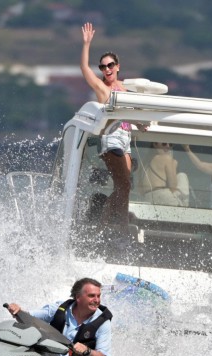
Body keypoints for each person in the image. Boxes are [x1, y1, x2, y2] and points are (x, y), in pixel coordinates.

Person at [5, 278, 112, 356]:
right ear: (78, 297)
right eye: (91, 296)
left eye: (98, 296)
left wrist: (87, 351)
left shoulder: (103, 323)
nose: (97, 300)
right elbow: (27, 317)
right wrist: (17, 310)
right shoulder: (59, 308)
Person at [80, 22, 132, 226]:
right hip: (111, 138)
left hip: (126, 137)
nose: (107, 69)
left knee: (125, 187)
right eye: (103, 66)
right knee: (122, 186)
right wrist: (86, 44)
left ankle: (119, 226)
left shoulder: (125, 90)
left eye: (110, 65)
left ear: (118, 67)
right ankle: (109, 226)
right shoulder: (103, 89)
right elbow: (84, 68)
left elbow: (128, 114)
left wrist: (139, 123)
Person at [136, 142, 189, 206]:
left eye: (171, 145)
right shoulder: (167, 158)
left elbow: (140, 190)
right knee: (182, 176)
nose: (168, 146)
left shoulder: (144, 164)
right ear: (155, 144)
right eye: (164, 144)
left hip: (148, 199)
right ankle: (185, 204)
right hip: (165, 198)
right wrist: (174, 164)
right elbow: (173, 187)